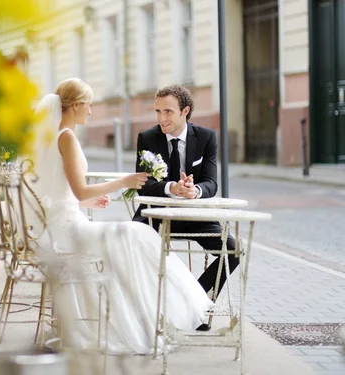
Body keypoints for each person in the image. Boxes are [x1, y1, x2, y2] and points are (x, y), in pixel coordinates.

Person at [31, 78, 213, 355]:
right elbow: (79, 190)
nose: (91, 111)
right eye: (89, 105)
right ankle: (148, 316)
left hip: (62, 224)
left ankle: (147, 314)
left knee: (134, 236)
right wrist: (123, 182)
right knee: (136, 235)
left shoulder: (55, 136)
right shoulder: (66, 137)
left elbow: (62, 190)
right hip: (67, 232)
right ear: (77, 105)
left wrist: (89, 200)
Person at [131, 84, 239, 331]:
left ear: (185, 111)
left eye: (168, 112)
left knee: (232, 251)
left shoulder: (206, 137)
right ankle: (147, 311)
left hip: (193, 215)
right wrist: (171, 188)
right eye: (158, 112)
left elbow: (211, 182)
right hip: (154, 215)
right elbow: (143, 186)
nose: (161, 118)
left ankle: (195, 305)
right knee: (132, 244)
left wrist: (195, 191)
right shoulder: (147, 138)